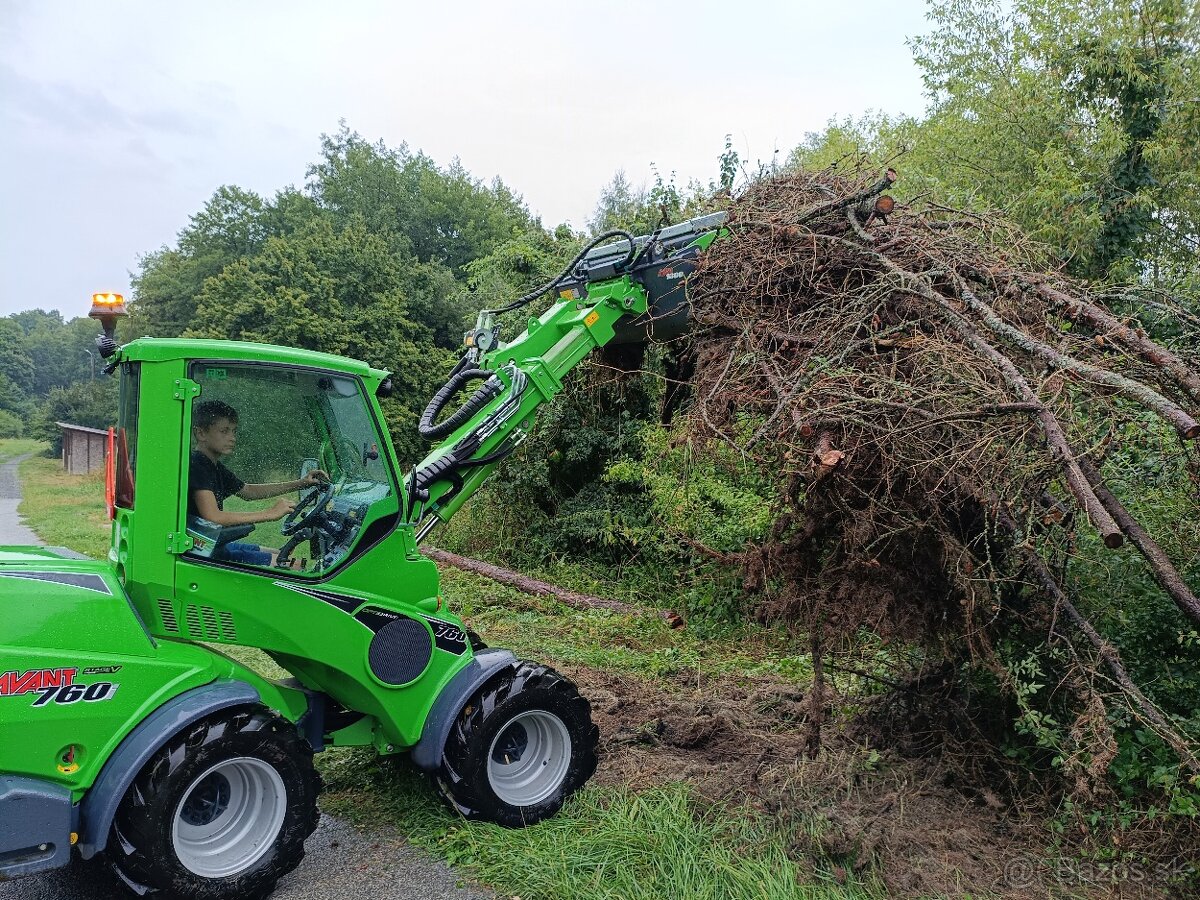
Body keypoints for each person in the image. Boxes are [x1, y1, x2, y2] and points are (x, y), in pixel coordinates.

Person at [188, 400, 327, 565]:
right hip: (202, 552)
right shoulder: (197, 464)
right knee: (293, 565)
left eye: (234, 431)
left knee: (284, 556)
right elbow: (213, 516)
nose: (232, 438)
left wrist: (302, 483)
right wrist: (270, 513)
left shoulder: (212, 465)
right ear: (201, 433)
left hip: (212, 545)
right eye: (224, 431)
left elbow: (248, 491)